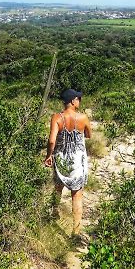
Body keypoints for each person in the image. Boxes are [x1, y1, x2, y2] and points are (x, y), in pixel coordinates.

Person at [44, 89, 92, 237]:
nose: (79, 101)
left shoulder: (56, 117)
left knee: (58, 187)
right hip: (77, 161)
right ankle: (76, 231)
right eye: (78, 99)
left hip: (61, 159)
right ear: (72, 101)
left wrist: (48, 156)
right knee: (76, 195)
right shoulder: (83, 117)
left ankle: (54, 212)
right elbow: (89, 135)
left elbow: (52, 140)